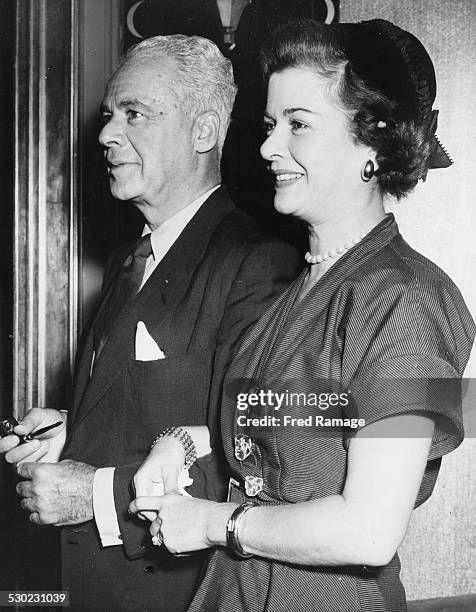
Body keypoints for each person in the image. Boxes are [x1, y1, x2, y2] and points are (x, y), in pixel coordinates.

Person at [129, 19, 476, 612]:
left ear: (372, 144)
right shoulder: (303, 289)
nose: (267, 147)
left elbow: (367, 530)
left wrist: (215, 523)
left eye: (298, 125)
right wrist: (182, 446)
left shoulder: (404, 301)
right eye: (269, 125)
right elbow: (298, 434)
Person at [0, 35, 300, 611]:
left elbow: (261, 461)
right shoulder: (129, 261)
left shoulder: (256, 265)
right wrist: (71, 428)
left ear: (204, 133)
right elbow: (166, 407)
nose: (107, 134)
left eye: (134, 114)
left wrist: (94, 494)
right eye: (111, 115)